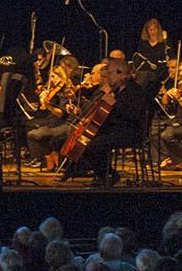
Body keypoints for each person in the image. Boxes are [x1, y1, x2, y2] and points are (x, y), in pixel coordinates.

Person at [66, 56, 154, 186]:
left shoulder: (134, 91)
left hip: (131, 133)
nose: (108, 76)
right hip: (117, 130)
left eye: (110, 73)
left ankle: (109, 175)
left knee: (93, 145)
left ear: (121, 74)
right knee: (85, 141)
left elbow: (131, 116)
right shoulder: (117, 91)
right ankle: (97, 173)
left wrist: (112, 102)